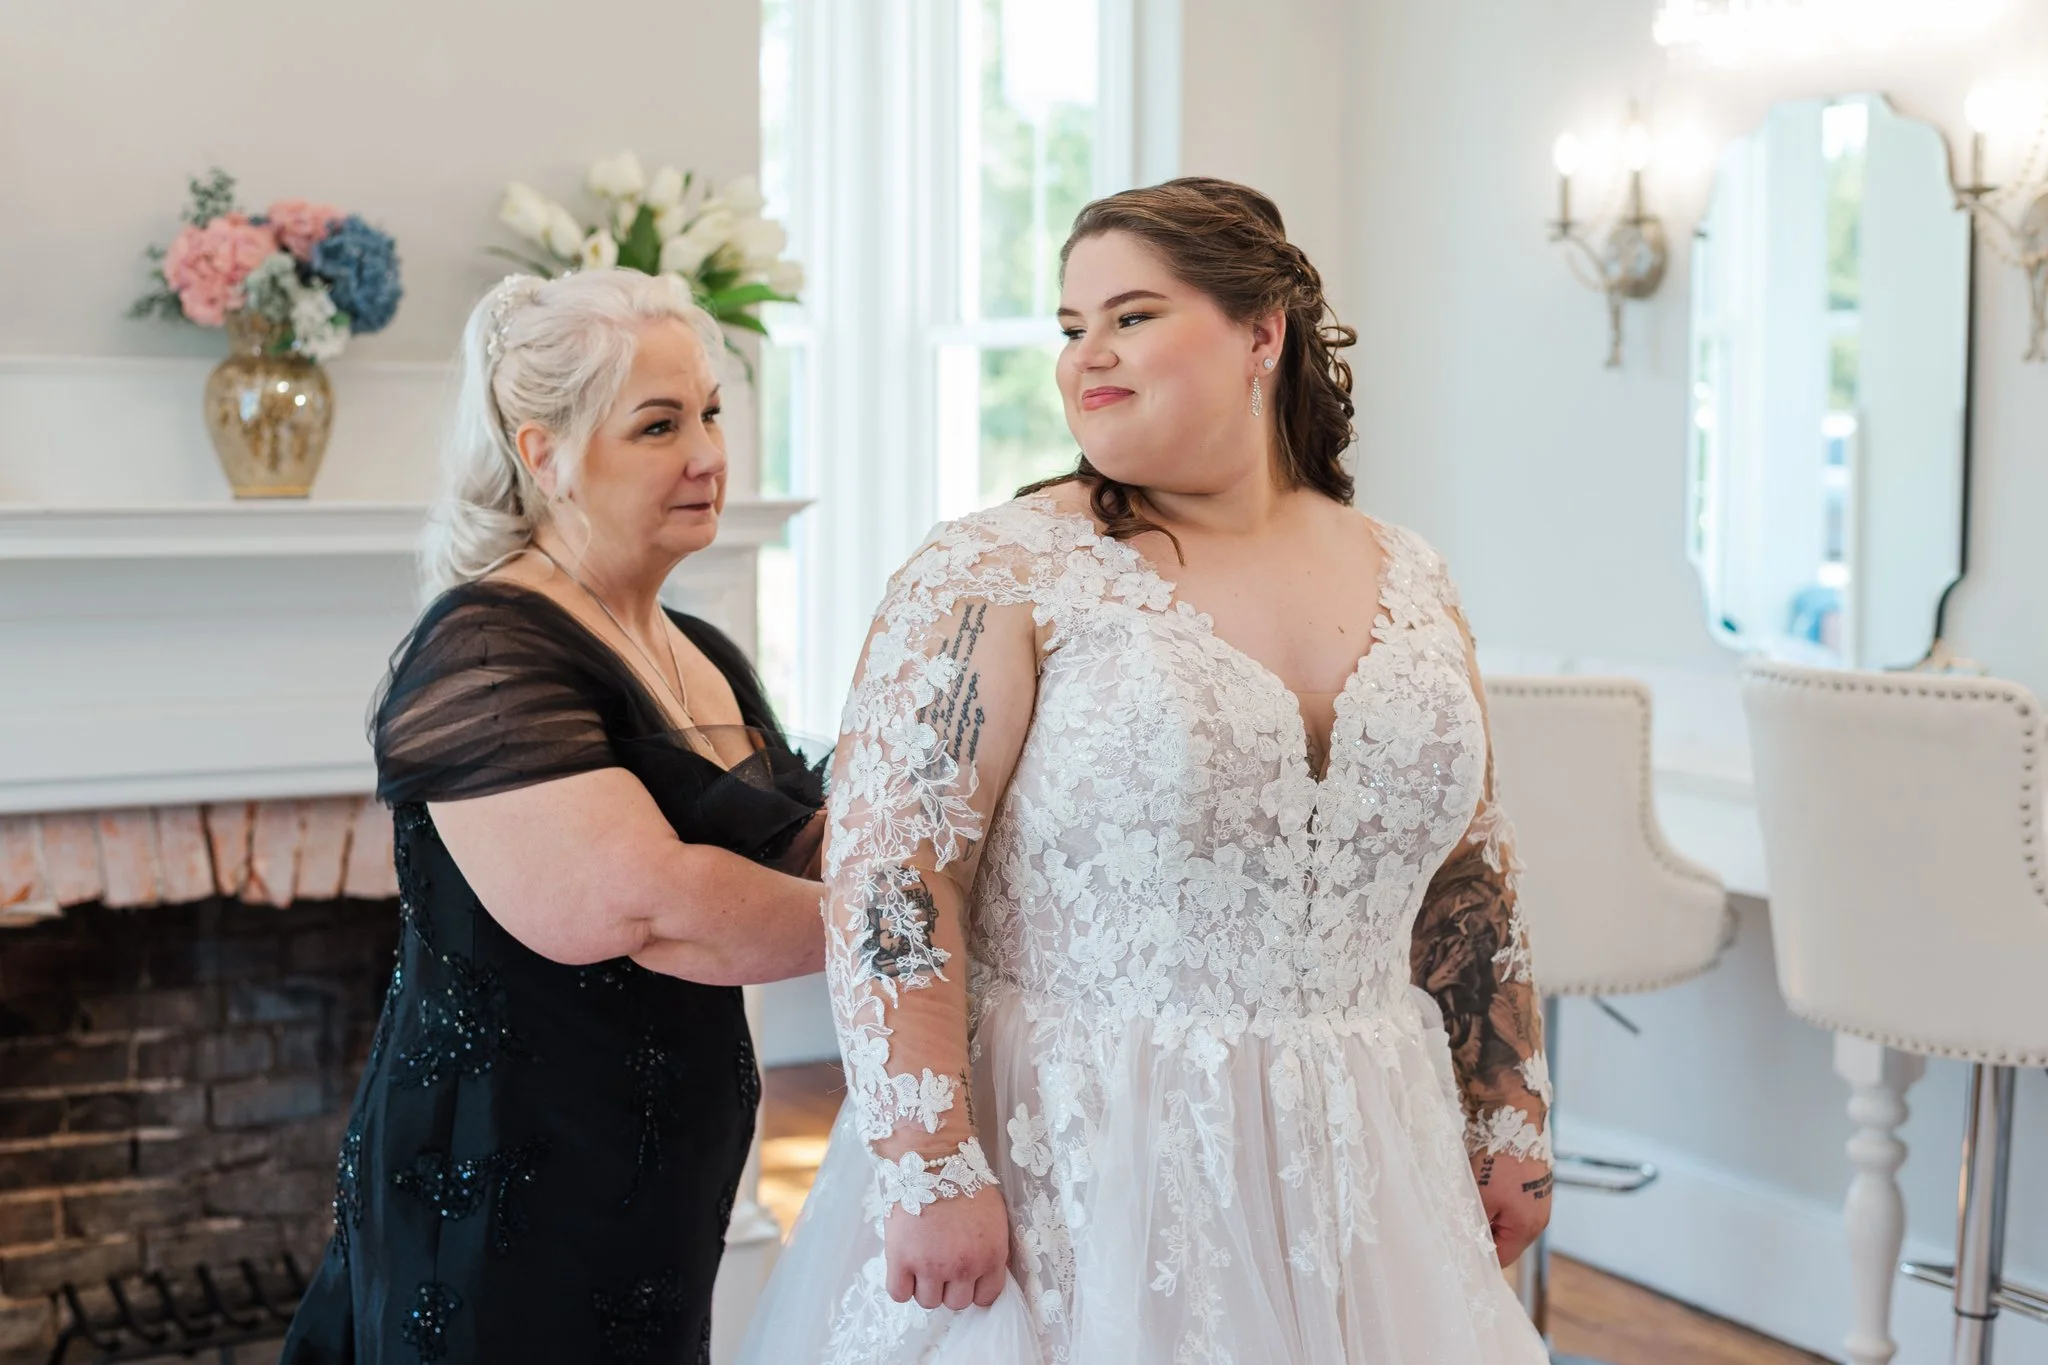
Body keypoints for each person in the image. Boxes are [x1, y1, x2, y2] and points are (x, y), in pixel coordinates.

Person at [739, 178, 1551, 1364]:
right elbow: (893, 874)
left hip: (1373, 1147)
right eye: (1070, 329)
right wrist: (926, 1161)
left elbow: (1467, 869)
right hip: (1085, 1159)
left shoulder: (1410, 572)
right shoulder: (995, 572)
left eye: (1130, 316)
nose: (1087, 358)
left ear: (1260, 333)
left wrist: (1508, 1108)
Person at [281, 268, 827, 1365]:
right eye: (658, 424)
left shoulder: (700, 650)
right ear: (544, 454)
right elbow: (642, 909)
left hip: (657, 1190)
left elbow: (797, 847)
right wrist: (920, 923)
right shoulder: (485, 647)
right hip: (504, 1198)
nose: (708, 454)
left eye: (712, 412)